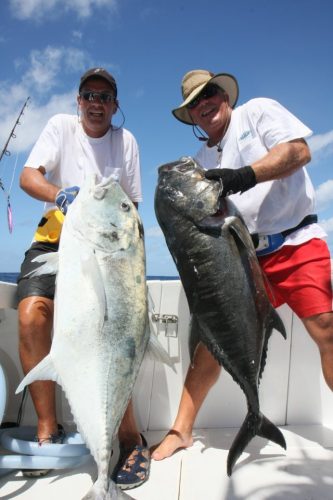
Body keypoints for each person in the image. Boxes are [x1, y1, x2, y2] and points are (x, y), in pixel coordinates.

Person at [151, 68, 333, 461]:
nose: (204, 104)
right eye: (194, 103)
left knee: (327, 329)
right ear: (191, 116)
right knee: (207, 348)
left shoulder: (257, 113)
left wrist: (243, 176)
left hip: (295, 242)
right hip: (240, 258)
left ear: (225, 96)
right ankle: (181, 431)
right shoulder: (197, 162)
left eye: (209, 93)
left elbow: (299, 152)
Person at [17, 67, 150, 488]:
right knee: (32, 315)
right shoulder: (60, 128)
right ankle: (46, 428)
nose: (96, 102)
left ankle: (128, 440)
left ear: (115, 105)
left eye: (105, 96)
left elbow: (130, 208)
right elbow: (27, 176)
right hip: (58, 240)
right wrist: (58, 194)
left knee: (117, 331)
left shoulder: (125, 142)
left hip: (107, 251)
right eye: (88, 95)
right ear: (78, 101)